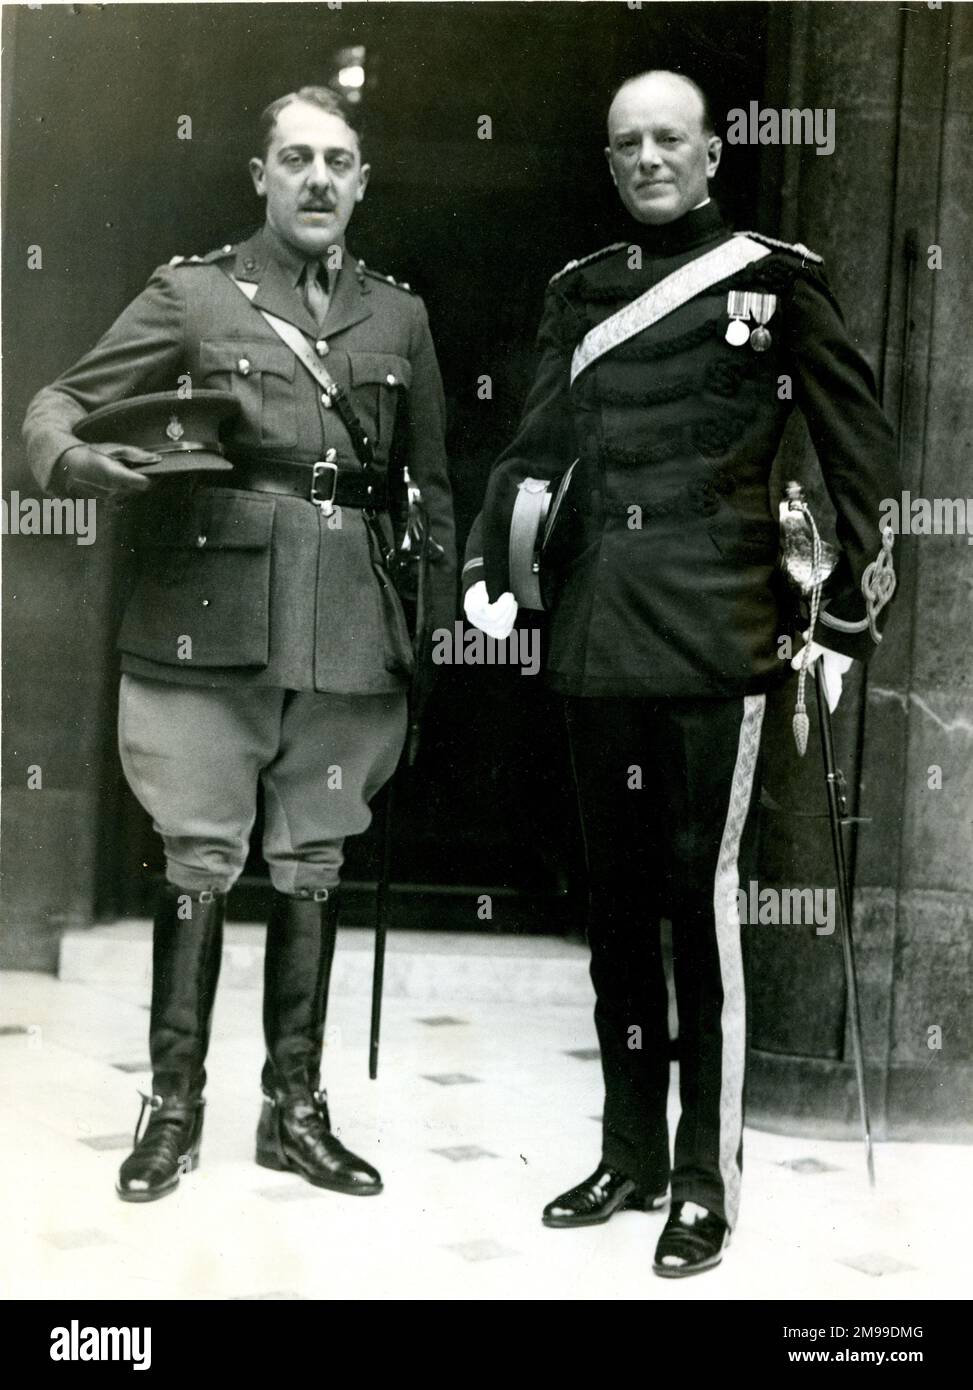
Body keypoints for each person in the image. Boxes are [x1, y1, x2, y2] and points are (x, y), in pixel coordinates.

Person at [463, 69, 899, 1277]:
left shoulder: (775, 278)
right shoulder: (578, 292)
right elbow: (536, 443)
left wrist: (850, 608)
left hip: (719, 636)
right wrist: (488, 558)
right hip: (601, 631)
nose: (650, 158)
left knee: (697, 913)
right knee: (612, 911)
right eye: (627, 145)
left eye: (671, 139)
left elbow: (859, 442)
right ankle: (628, 1154)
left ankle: (702, 1182)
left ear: (712, 153)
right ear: (611, 165)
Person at [23, 85, 455, 1203]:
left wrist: (429, 619)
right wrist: (77, 468)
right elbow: (55, 403)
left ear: (363, 181)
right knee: (196, 863)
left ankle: (293, 1111)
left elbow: (434, 490)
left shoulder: (399, 318)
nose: (319, 179)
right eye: (296, 158)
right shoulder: (196, 295)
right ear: (258, 175)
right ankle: (173, 1107)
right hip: (207, 621)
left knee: (313, 863)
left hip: (352, 628)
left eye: (340, 161)